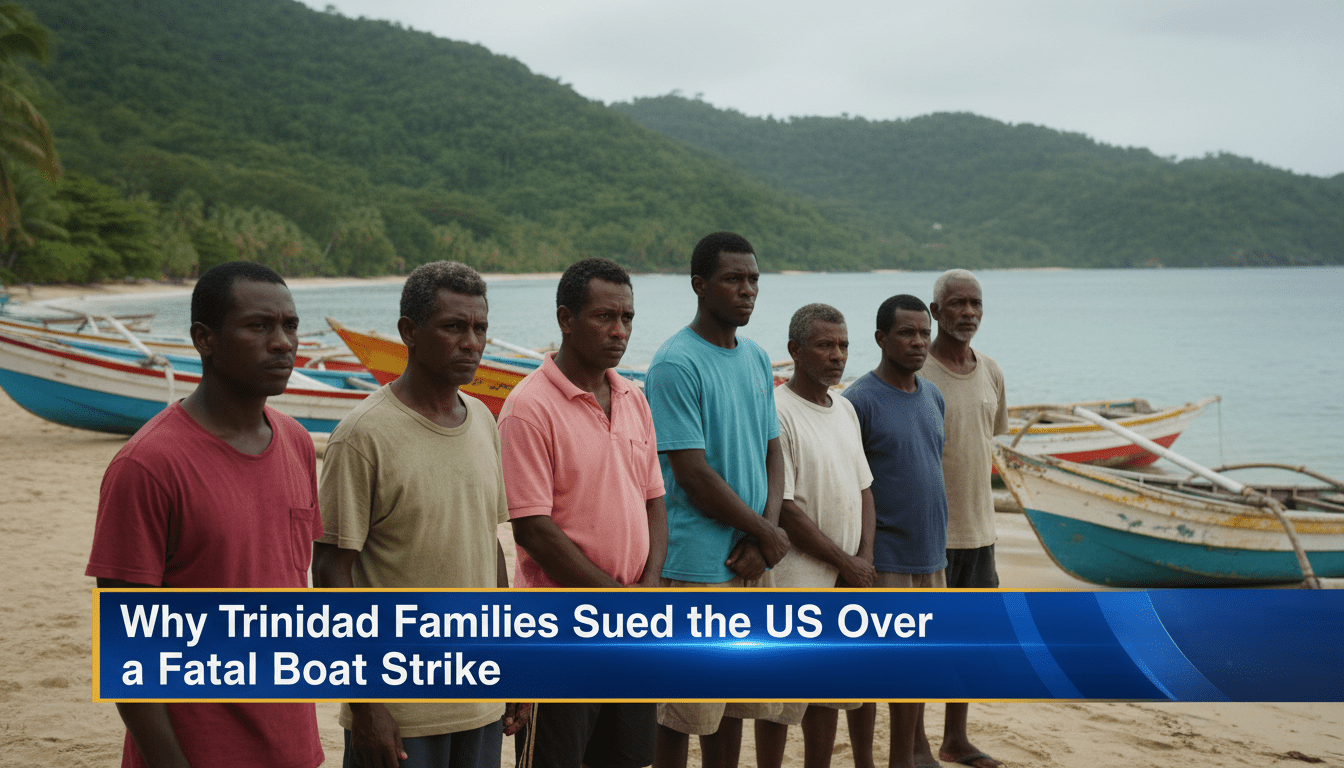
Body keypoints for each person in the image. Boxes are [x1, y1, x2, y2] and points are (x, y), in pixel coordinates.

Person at [86, 261, 324, 768]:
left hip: (294, 746)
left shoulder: (297, 443)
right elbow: (127, 652)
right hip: (197, 751)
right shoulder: (148, 465)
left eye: (291, 325)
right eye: (258, 326)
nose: (283, 343)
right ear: (204, 339)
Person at [312, 261, 527, 768]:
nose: (472, 342)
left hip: (480, 699)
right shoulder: (363, 435)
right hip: (401, 711)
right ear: (409, 332)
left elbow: (488, 546)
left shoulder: (482, 421)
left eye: (480, 329)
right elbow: (329, 572)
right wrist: (367, 705)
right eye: (454, 327)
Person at [499, 258, 668, 768]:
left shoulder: (633, 397)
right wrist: (617, 600)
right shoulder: (528, 407)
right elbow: (533, 529)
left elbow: (655, 500)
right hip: (560, 633)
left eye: (628, 318)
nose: (619, 331)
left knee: (627, 756)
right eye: (604, 317)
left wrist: (651, 585)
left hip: (633, 621)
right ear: (566, 319)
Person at [645, 231, 789, 768]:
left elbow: (773, 453)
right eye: (733, 279)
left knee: (735, 705)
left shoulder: (755, 357)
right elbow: (693, 473)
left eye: (753, 279)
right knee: (683, 711)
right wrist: (765, 532)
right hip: (699, 563)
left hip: (752, 554)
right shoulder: (676, 363)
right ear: (700, 286)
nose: (747, 289)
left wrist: (767, 533)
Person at [754, 303, 874, 768]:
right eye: (825, 345)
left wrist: (862, 560)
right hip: (798, 579)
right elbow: (785, 508)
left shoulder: (844, 409)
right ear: (795, 350)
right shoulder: (778, 412)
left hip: (849, 577)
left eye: (843, 345)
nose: (837, 355)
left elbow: (865, 489)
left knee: (829, 692)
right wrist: (846, 562)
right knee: (783, 699)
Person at [841, 294, 947, 768]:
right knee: (869, 670)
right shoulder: (858, 401)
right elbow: (850, 487)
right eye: (907, 333)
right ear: (882, 338)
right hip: (884, 560)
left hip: (931, 559)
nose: (918, 342)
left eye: (924, 333)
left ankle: (903, 758)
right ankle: (864, 760)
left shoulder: (933, 396)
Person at [916, 269, 1007, 768]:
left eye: (974, 303)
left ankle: (955, 738)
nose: (967, 312)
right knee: (923, 643)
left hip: (982, 532)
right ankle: (915, 743)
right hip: (931, 536)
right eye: (955, 304)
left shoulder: (991, 370)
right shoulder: (915, 371)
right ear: (935, 312)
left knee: (969, 643)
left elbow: (986, 442)